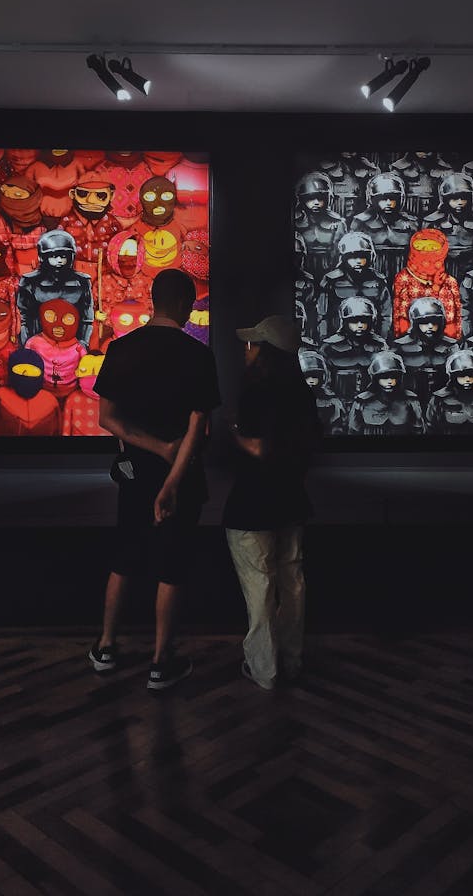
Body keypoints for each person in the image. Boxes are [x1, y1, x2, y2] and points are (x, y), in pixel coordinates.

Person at [89, 268, 221, 691]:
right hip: (182, 477)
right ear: (185, 305)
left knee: (123, 557)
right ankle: (162, 662)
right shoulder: (198, 355)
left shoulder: (121, 348)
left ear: (152, 300)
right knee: (172, 565)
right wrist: (171, 475)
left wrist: (150, 449)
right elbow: (199, 426)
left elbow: (106, 418)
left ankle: (106, 647)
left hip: (133, 475)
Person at [222, 314, 320, 690]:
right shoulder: (303, 392)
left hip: (252, 506)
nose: (246, 349)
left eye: (252, 344)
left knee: (259, 590)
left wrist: (232, 430)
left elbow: (260, 447)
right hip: (291, 502)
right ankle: (292, 660)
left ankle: (265, 669)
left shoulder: (256, 391)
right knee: (292, 585)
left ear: (265, 352)